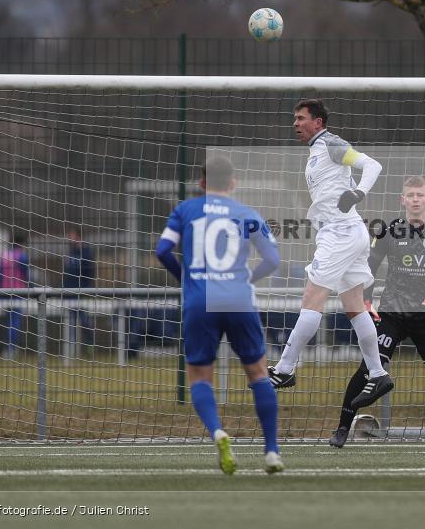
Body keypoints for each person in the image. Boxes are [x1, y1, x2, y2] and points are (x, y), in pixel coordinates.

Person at [155, 155, 283, 475]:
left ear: (201, 184)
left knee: (199, 377)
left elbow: (161, 250)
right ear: (233, 183)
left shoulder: (185, 209)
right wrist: (246, 280)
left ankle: (218, 432)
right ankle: (271, 451)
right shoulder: (247, 213)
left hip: (200, 300)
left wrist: (186, 277)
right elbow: (272, 259)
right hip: (238, 298)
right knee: (257, 373)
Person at [268, 99, 394, 409]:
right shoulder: (315, 151)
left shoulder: (331, 143)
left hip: (340, 234)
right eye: (294, 118)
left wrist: (358, 193)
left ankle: (284, 368)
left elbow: (372, 165)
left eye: (301, 118)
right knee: (354, 306)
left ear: (318, 122)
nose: (295, 124)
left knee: (312, 297)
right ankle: (377, 373)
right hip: (345, 233)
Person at [330, 176, 425, 449]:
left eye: (420, 195)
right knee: (368, 368)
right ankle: (342, 428)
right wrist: (366, 301)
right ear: (402, 200)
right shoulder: (388, 231)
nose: (415, 199)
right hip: (391, 314)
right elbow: (370, 266)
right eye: (410, 195)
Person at [0, 231, 29, 359]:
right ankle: (11, 348)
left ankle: (8, 348)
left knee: (8, 321)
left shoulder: (4, 255)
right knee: (15, 321)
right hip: (18, 291)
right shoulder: (22, 256)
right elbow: (26, 275)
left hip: (4, 291)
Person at [62, 227, 96, 353]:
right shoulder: (70, 252)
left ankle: (89, 346)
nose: (69, 238)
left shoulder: (86, 252)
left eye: (71, 235)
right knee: (70, 321)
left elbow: (90, 271)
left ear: (77, 236)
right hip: (69, 292)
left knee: (84, 320)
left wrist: (87, 289)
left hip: (82, 291)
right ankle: (71, 349)